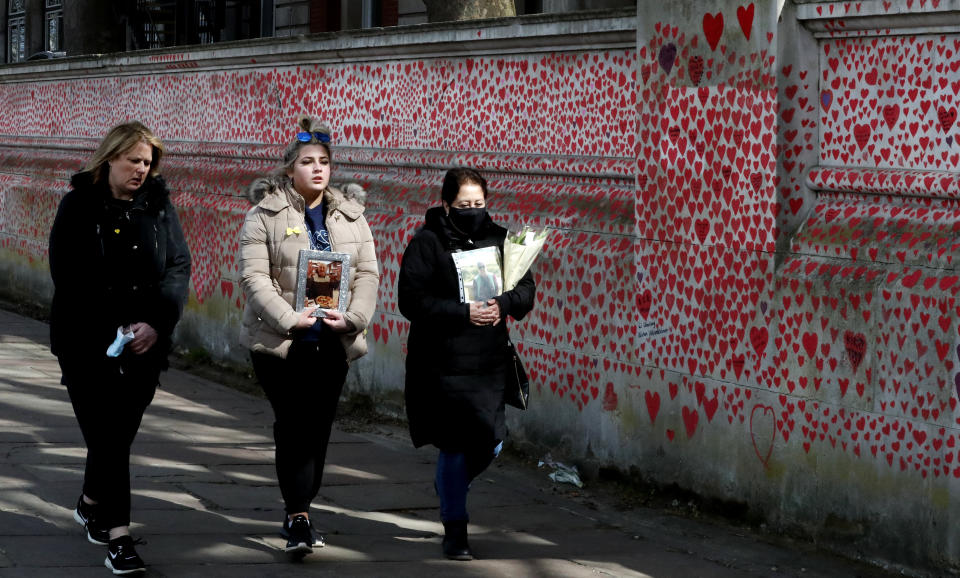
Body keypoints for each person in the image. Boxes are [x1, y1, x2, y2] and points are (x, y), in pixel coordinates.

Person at [48, 121, 191, 575]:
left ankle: (91, 501)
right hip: (86, 343)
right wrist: (117, 325)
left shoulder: (160, 208)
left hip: (145, 345)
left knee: (117, 436)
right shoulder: (77, 206)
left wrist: (155, 323)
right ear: (110, 157)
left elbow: (177, 267)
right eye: (133, 160)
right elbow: (68, 276)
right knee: (109, 436)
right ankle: (119, 537)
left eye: (147, 163)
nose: (141, 170)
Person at [238, 115, 379, 557]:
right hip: (282, 344)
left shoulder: (352, 216)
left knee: (317, 430)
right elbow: (253, 277)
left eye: (323, 162)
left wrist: (353, 318)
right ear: (289, 170)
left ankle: (301, 507)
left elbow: (369, 275)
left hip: (333, 343)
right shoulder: (264, 215)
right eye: (307, 162)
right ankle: (297, 515)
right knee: (295, 426)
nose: (317, 169)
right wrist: (289, 319)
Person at [398, 167, 536, 561]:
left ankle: (450, 486)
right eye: (464, 205)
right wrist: (463, 312)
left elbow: (526, 289)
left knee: (492, 440)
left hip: (489, 362)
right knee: (455, 447)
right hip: (442, 364)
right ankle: (455, 529)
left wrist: (504, 304)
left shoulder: (500, 239)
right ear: (446, 204)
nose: (472, 210)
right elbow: (411, 301)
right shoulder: (428, 243)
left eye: (478, 204)